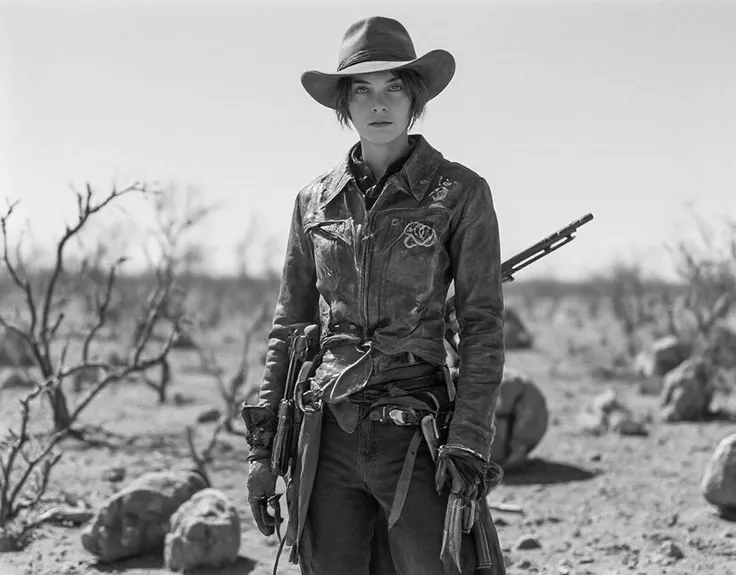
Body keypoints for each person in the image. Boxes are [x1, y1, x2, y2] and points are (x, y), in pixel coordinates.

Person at [243, 16, 506, 575]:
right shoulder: (314, 201)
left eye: (393, 87)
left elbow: (482, 324)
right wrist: (263, 452)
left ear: (415, 97)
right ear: (344, 104)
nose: (378, 103)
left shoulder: (460, 192)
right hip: (327, 435)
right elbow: (289, 326)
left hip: (418, 433)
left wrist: (469, 440)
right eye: (362, 89)